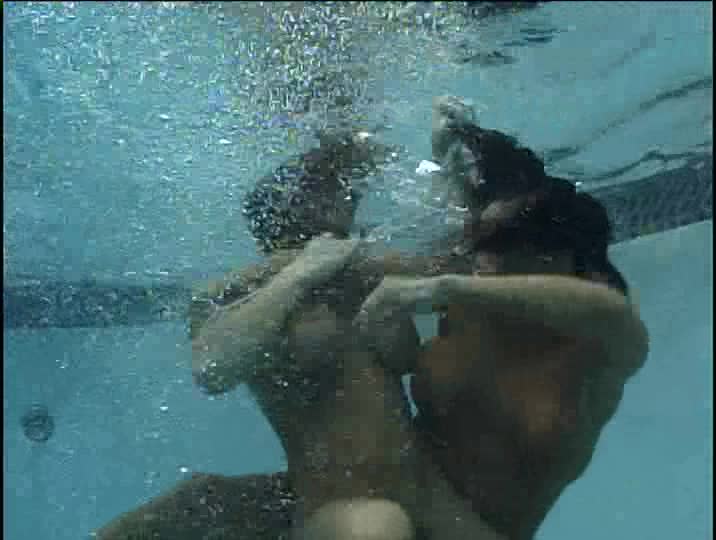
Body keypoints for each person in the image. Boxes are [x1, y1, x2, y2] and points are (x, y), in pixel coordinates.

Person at [96, 98, 649, 540]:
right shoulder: (287, 286)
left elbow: (502, 258)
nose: (480, 259)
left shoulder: (568, 326)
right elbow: (215, 361)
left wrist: (458, 173)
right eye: (331, 191)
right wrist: (296, 271)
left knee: (362, 521)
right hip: (368, 503)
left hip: (444, 518)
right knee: (204, 503)